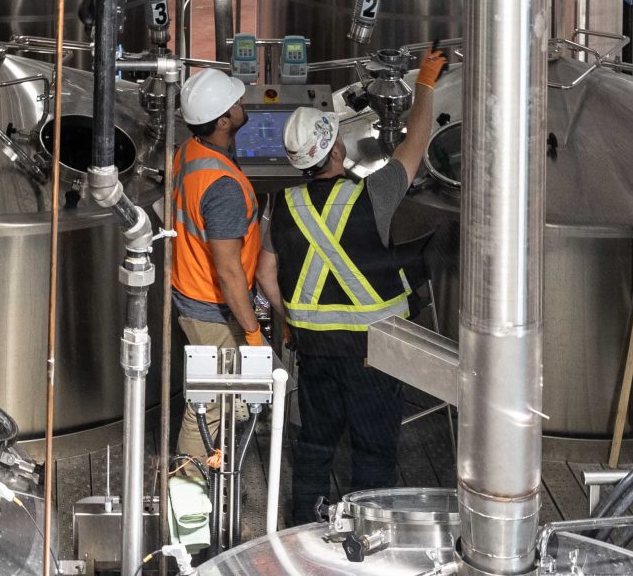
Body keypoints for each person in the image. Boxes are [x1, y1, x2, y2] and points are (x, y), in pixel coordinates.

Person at [260, 45, 447, 526]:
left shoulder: (282, 207)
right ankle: (367, 535)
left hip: (315, 350)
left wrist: (289, 324)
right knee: (373, 450)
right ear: (336, 149)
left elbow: (264, 275)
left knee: (316, 444)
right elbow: (418, 142)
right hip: (373, 352)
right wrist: (424, 84)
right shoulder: (375, 194)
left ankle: (302, 528)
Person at [170, 65, 262, 461]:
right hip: (212, 309)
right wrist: (252, 330)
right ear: (224, 120)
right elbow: (228, 270)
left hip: (191, 293)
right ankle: (188, 489)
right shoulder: (222, 186)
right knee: (207, 409)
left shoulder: (190, 151)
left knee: (216, 399)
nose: (242, 104)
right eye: (235, 103)